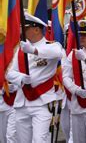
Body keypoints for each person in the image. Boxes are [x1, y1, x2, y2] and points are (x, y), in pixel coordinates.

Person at [6, 12, 64, 142]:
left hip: (42, 102)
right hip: (22, 102)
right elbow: (9, 72)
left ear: (37, 29)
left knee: (40, 139)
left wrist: (33, 50)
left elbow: (59, 53)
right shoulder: (20, 50)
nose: (22, 31)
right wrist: (21, 78)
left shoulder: (51, 45)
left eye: (26, 28)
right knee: (22, 140)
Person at [62, 20, 86, 143]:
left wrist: (85, 59)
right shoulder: (73, 54)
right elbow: (65, 76)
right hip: (76, 104)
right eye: (80, 34)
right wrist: (75, 89)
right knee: (76, 139)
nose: (81, 37)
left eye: (85, 35)